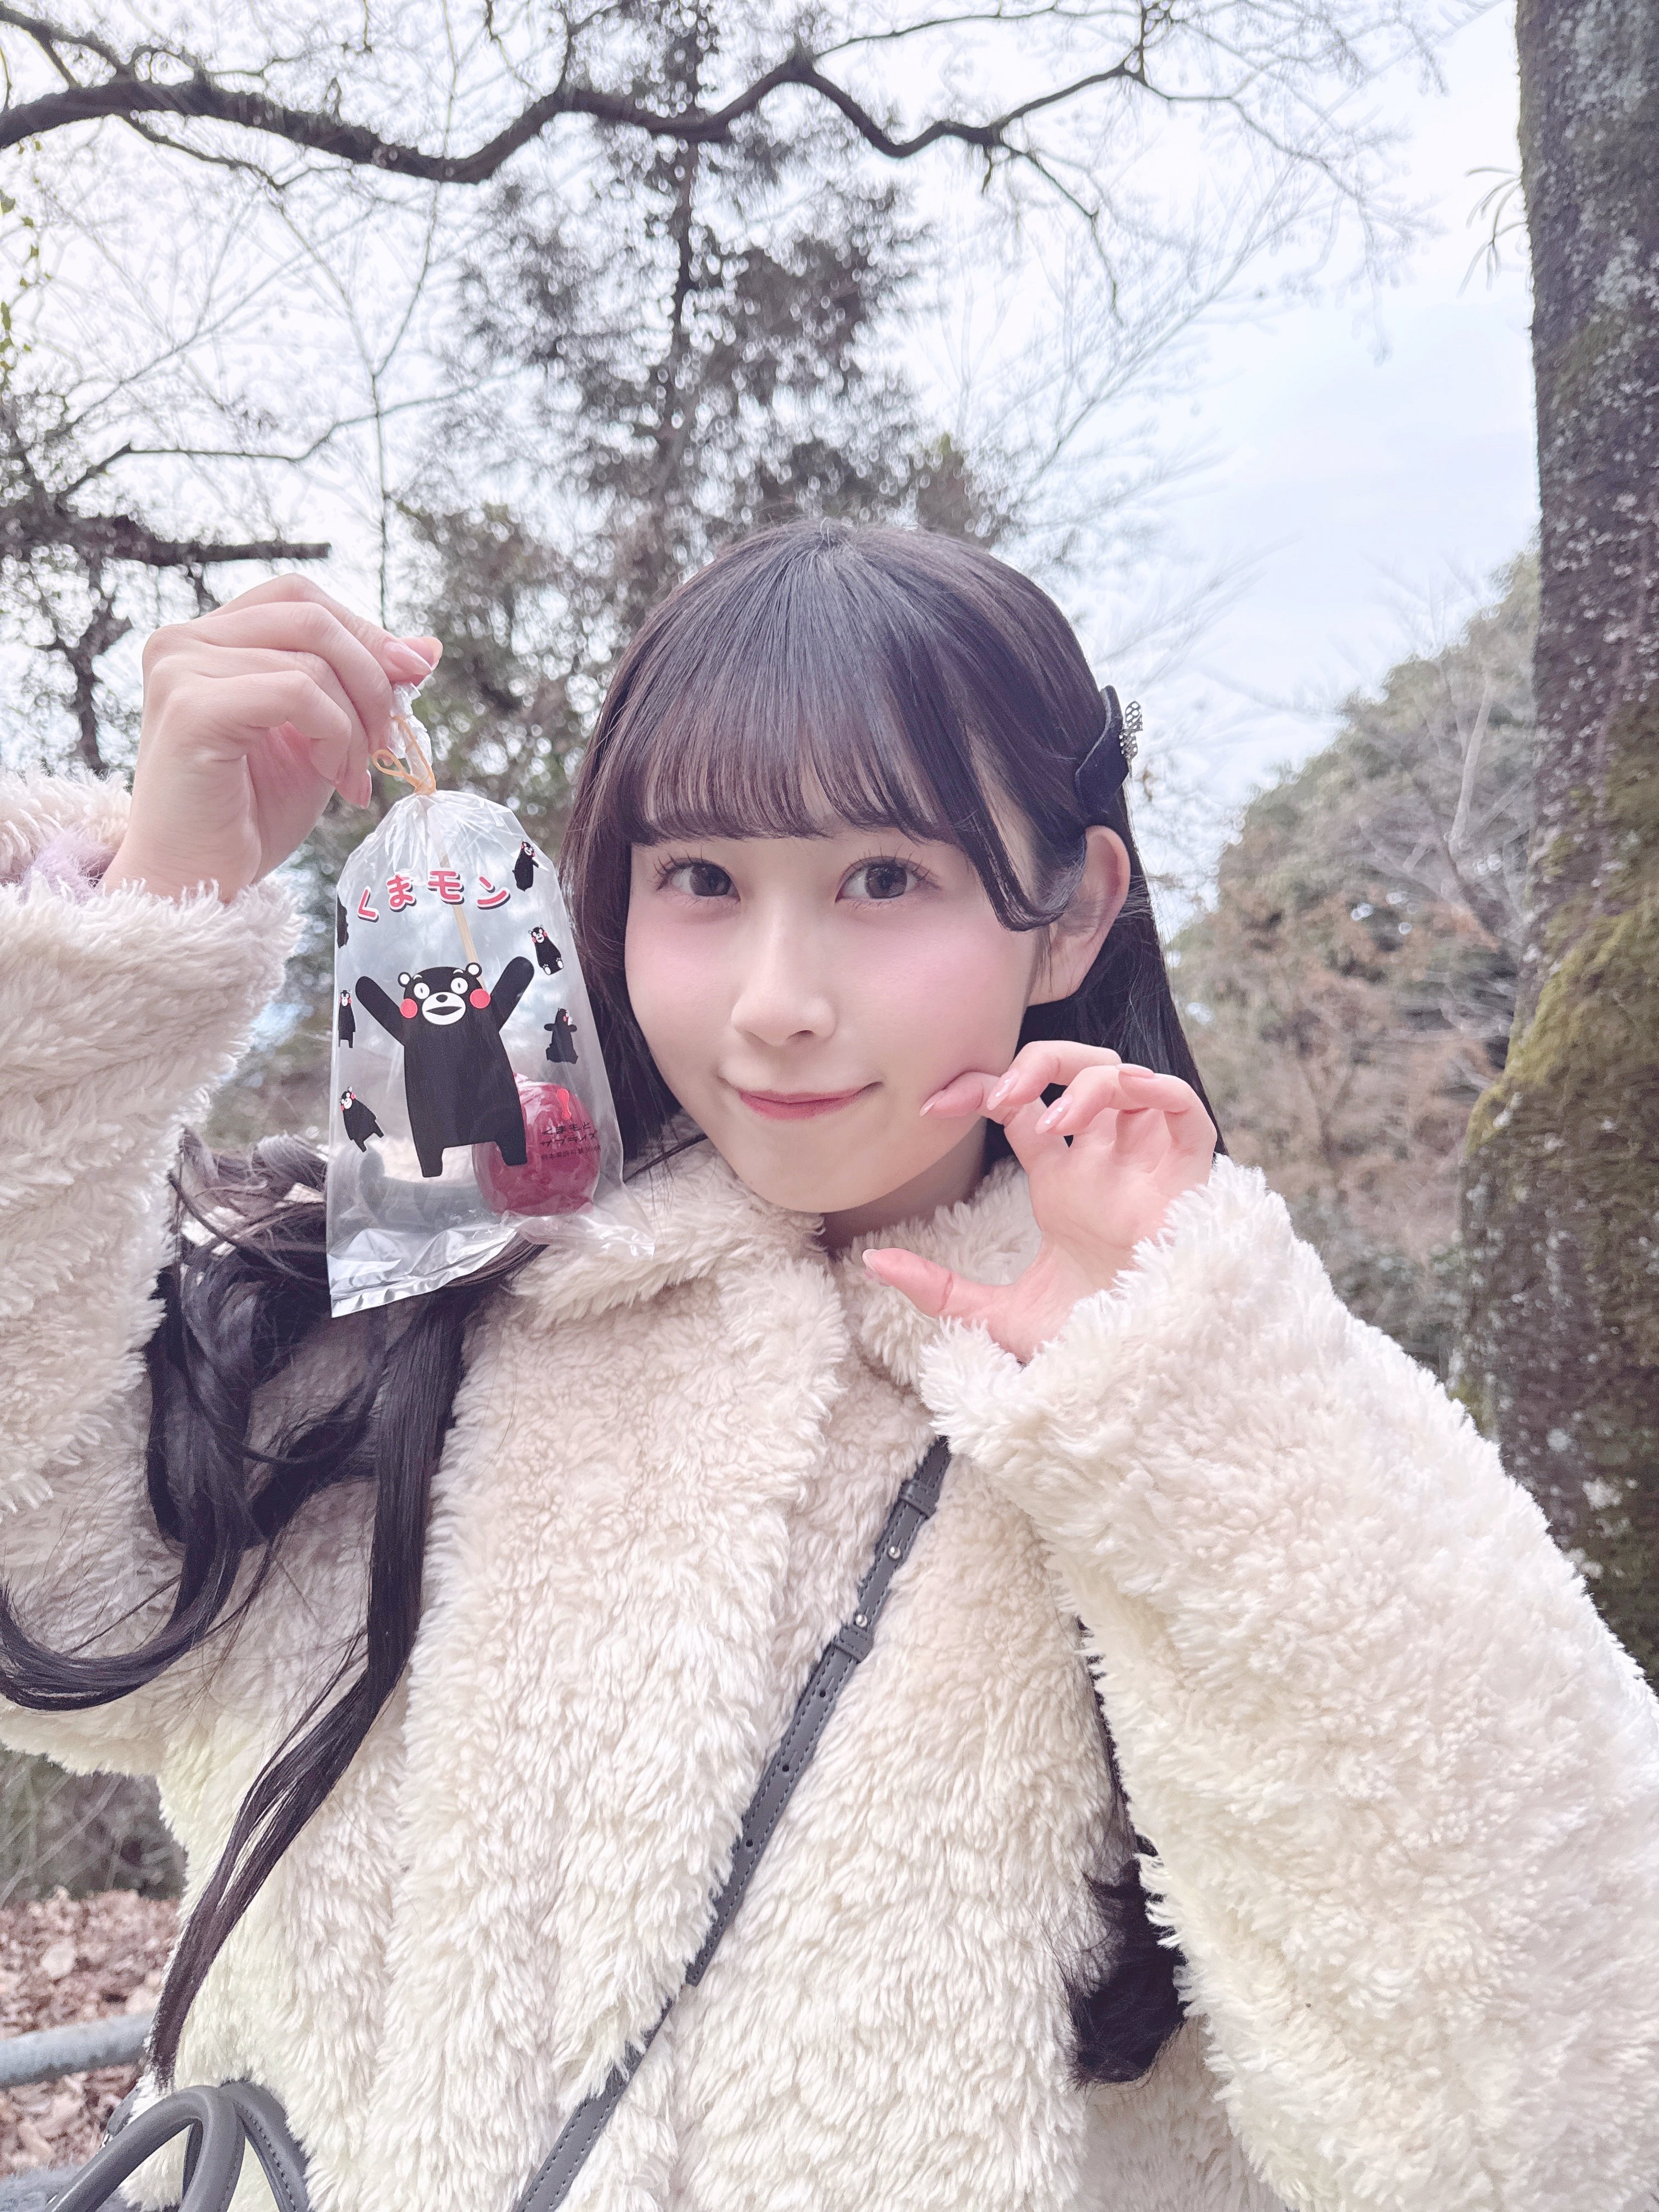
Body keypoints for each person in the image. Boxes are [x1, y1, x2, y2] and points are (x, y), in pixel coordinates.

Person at [1, 525, 1656, 2212]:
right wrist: (140, 926)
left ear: (1074, 912)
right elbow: (56, 1612)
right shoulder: (411, 1319)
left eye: (884, 880)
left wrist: (1180, 1417)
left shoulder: (1230, 1395)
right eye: (702, 881)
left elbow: (1550, 2130)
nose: (778, 1003)